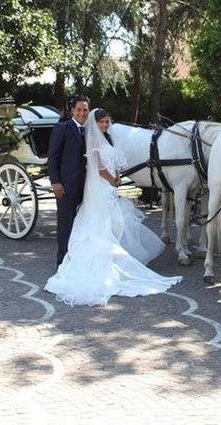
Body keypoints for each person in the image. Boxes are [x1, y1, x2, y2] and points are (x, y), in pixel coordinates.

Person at [44, 108, 182, 306]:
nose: (105, 125)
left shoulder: (106, 138)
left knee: (112, 222)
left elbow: (110, 163)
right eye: (101, 122)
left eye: (107, 122)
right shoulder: (93, 139)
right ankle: (92, 261)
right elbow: (100, 168)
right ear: (95, 123)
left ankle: (114, 257)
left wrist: (115, 178)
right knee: (101, 224)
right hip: (101, 186)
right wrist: (113, 180)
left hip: (107, 187)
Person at [48, 95, 90, 265]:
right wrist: (55, 182)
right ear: (72, 110)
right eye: (79, 109)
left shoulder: (90, 130)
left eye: (85, 109)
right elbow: (53, 157)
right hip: (66, 186)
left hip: (86, 186)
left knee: (83, 224)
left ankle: (79, 258)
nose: (82, 113)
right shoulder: (62, 128)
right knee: (65, 224)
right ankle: (62, 261)